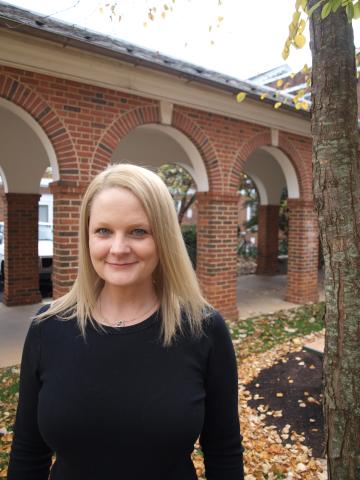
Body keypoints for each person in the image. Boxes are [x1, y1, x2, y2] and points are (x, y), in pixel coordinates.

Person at [7, 163, 244, 480]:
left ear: (163, 238)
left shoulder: (202, 329)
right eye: (103, 231)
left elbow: (223, 452)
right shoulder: (47, 327)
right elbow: (28, 453)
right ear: (87, 237)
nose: (118, 248)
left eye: (138, 231)